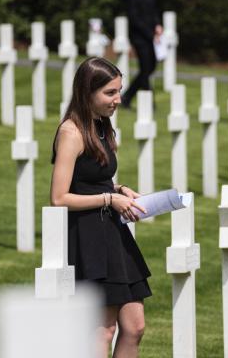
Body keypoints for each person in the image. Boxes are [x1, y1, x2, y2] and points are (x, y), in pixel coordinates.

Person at [51, 57, 150, 358]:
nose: (118, 99)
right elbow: (59, 198)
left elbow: (94, 178)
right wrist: (110, 199)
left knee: (134, 327)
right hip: (90, 237)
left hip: (113, 233)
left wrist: (119, 189)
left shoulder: (102, 127)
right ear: (87, 92)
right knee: (103, 330)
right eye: (110, 93)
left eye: (119, 91)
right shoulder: (72, 132)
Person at [122, 0, 162, 108]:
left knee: (151, 66)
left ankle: (127, 96)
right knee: (145, 68)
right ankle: (149, 102)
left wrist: (157, 25)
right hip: (139, 37)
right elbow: (134, 18)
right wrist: (148, 33)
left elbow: (153, 11)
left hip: (150, 35)